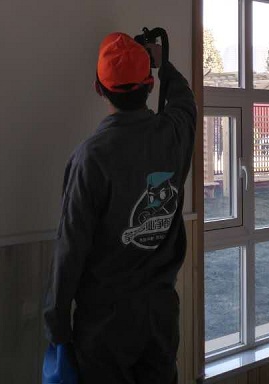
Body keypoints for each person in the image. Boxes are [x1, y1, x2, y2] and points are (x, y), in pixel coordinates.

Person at [43, 31, 197, 384]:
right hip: (160, 315)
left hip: (106, 324)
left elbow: (71, 247)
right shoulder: (175, 135)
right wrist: (163, 62)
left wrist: (57, 322)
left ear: (99, 88)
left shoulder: (92, 158)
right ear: (149, 86)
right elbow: (185, 101)